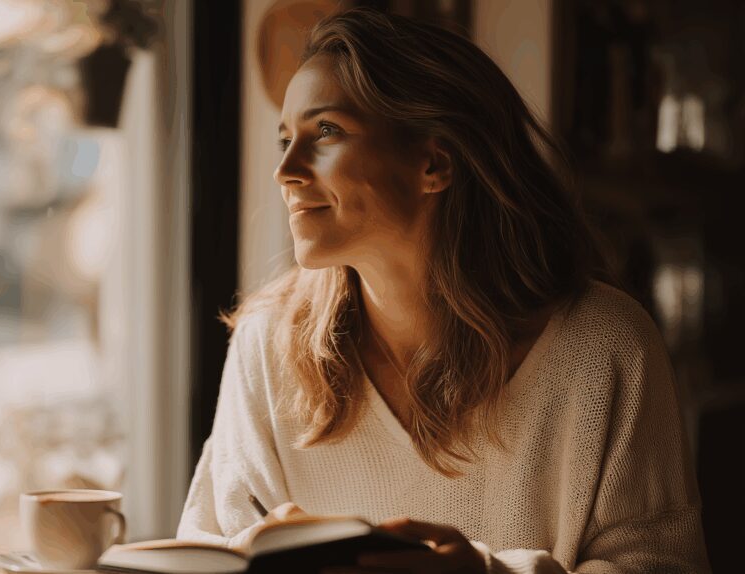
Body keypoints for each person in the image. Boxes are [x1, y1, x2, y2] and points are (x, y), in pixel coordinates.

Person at [176, 8, 710, 574]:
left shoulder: (605, 349)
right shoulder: (267, 346)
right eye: (286, 138)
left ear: (434, 162)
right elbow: (208, 552)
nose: (286, 169)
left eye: (325, 131)